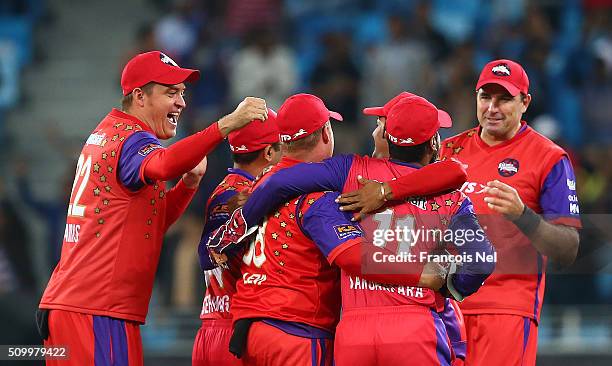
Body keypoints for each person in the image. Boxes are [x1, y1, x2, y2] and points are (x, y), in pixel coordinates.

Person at [327, 59, 582, 365]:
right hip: (445, 308)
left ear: (525, 102)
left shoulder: (549, 158)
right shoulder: (447, 150)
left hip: (504, 311)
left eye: (504, 99)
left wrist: (523, 216)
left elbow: (568, 250)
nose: (492, 108)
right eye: (485, 97)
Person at [210, 94, 496, 365]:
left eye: (379, 124)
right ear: (435, 142)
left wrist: (240, 220)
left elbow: (281, 180)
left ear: (386, 136)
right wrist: (452, 285)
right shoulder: (451, 197)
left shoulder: (349, 173)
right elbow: (482, 259)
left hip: (352, 334)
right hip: (415, 326)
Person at [37, 51, 268, 366]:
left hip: (87, 306)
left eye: (183, 94)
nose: (181, 103)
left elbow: (151, 222)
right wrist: (225, 125)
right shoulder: (130, 138)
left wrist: (187, 186)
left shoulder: (112, 134)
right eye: (171, 93)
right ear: (139, 97)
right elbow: (163, 164)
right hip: (94, 310)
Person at [192, 108, 282, 366]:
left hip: (215, 326)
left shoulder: (227, 187)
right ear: (268, 153)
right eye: (282, 148)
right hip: (233, 332)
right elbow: (208, 254)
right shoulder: (238, 196)